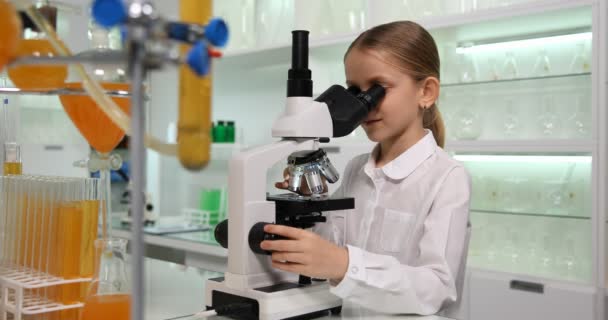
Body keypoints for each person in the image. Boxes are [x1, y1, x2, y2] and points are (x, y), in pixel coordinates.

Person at [261, 21, 471, 316]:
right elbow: (326, 255)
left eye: (377, 89)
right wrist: (309, 204)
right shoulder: (357, 169)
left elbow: (435, 288)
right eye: (354, 90)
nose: (365, 105)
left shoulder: (447, 178)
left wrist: (344, 265)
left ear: (426, 91)